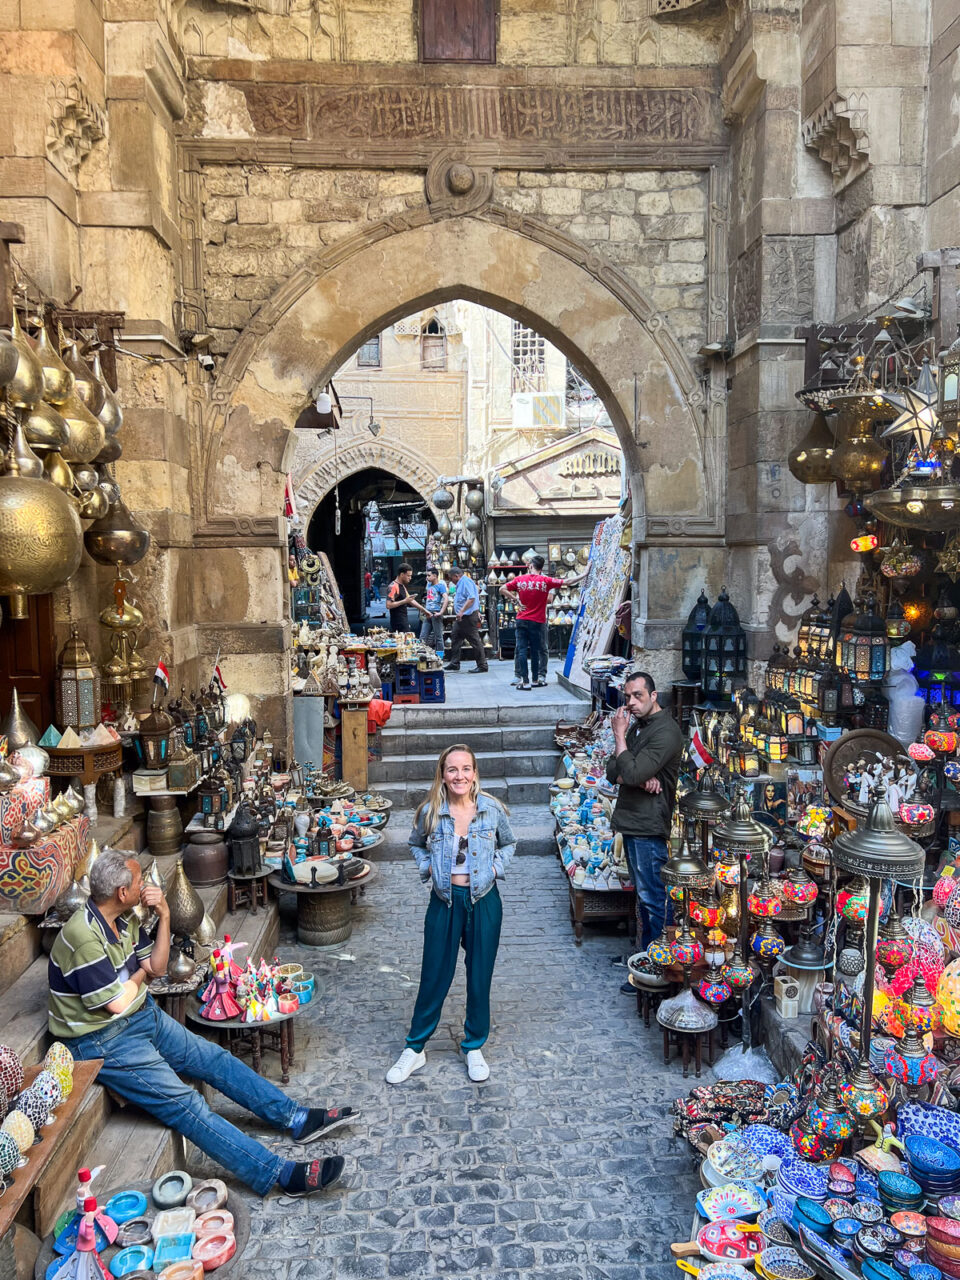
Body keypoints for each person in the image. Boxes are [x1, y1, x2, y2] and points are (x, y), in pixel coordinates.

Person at [49, 851, 359, 1198]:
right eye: (139, 883)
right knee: (188, 1105)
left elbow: (160, 965)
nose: (146, 887)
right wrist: (142, 973)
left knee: (214, 1059)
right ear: (122, 893)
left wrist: (164, 915)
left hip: (139, 1013)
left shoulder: (123, 919)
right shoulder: (83, 936)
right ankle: (279, 1174)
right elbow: (117, 1002)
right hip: (101, 1038)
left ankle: (295, 1118)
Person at [386, 745, 516, 1086]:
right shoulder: (430, 812)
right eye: (452, 769)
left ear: (475, 773)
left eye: (466, 769)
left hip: (484, 901)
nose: (459, 776)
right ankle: (415, 1048)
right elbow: (415, 843)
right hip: (444, 901)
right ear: (442, 774)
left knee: (479, 975)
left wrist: (494, 868)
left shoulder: (491, 809)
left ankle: (473, 1045)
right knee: (434, 974)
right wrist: (427, 866)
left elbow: (509, 844)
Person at [604, 671, 684, 990]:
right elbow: (614, 771)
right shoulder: (641, 726)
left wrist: (620, 737)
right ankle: (646, 959)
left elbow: (631, 768)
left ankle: (659, 969)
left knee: (655, 899)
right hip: (634, 821)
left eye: (638, 695)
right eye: (627, 697)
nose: (631, 703)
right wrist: (633, 774)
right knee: (645, 896)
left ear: (654, 696)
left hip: (649, 825)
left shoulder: (665, 731)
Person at [500, 555, 584, 689]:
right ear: (541, 567)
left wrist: (515, 599)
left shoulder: (520, 579)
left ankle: (525, 682)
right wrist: (585, 573)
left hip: (522, 619)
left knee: (521, 650)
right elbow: (568, 582)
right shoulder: (545, 581)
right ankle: (535, 680)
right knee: (535, 650)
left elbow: (502, 589)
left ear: (531, 566)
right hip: (538, 621)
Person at [443, 567, 488, 673]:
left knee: (474, 640)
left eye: (451, 578)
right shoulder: (463, 582)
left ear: (456, 576)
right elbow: (475, 593)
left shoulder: (465, 582)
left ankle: (482, 665)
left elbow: (471, 598)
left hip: (467, 617)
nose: (451, 581)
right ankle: (455, 663)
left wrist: (462, 611)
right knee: (455, 636)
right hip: (463, 617)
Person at [419, 566, 448, 655]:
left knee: (438, 637)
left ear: (435, 576)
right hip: (428, 613)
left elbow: (446, 598)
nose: (427, 577)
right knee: (423, 636)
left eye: (429, 575)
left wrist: (441, 612)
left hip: (436, 613)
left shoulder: (441, 586)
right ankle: (422, 655)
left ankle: (440, 657)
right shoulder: (428, 585)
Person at [385, 562, 416, 635]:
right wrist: (404, 601)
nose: (410, 578)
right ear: (402, 574)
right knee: (406, 640)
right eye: (408, 576)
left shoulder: (402, 586)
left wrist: (424, 610)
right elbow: (388, 605)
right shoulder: (393, 586)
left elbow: (410, 600)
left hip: (403, 619)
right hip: (398, 621)